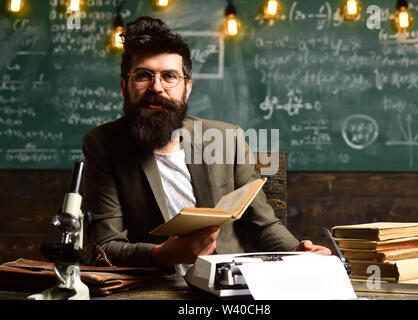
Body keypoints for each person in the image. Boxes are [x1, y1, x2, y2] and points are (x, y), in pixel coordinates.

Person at [82, 16, 331, 274]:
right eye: (144, 75)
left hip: (229, 285)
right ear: (125, 87)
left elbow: (263, 226)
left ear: (187, 88)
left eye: (169, 76)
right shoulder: (103, 144)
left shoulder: (228, 139)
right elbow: (105, 247)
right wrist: (162, 255)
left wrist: (298, 254)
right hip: (153, 287)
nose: (156, 87)